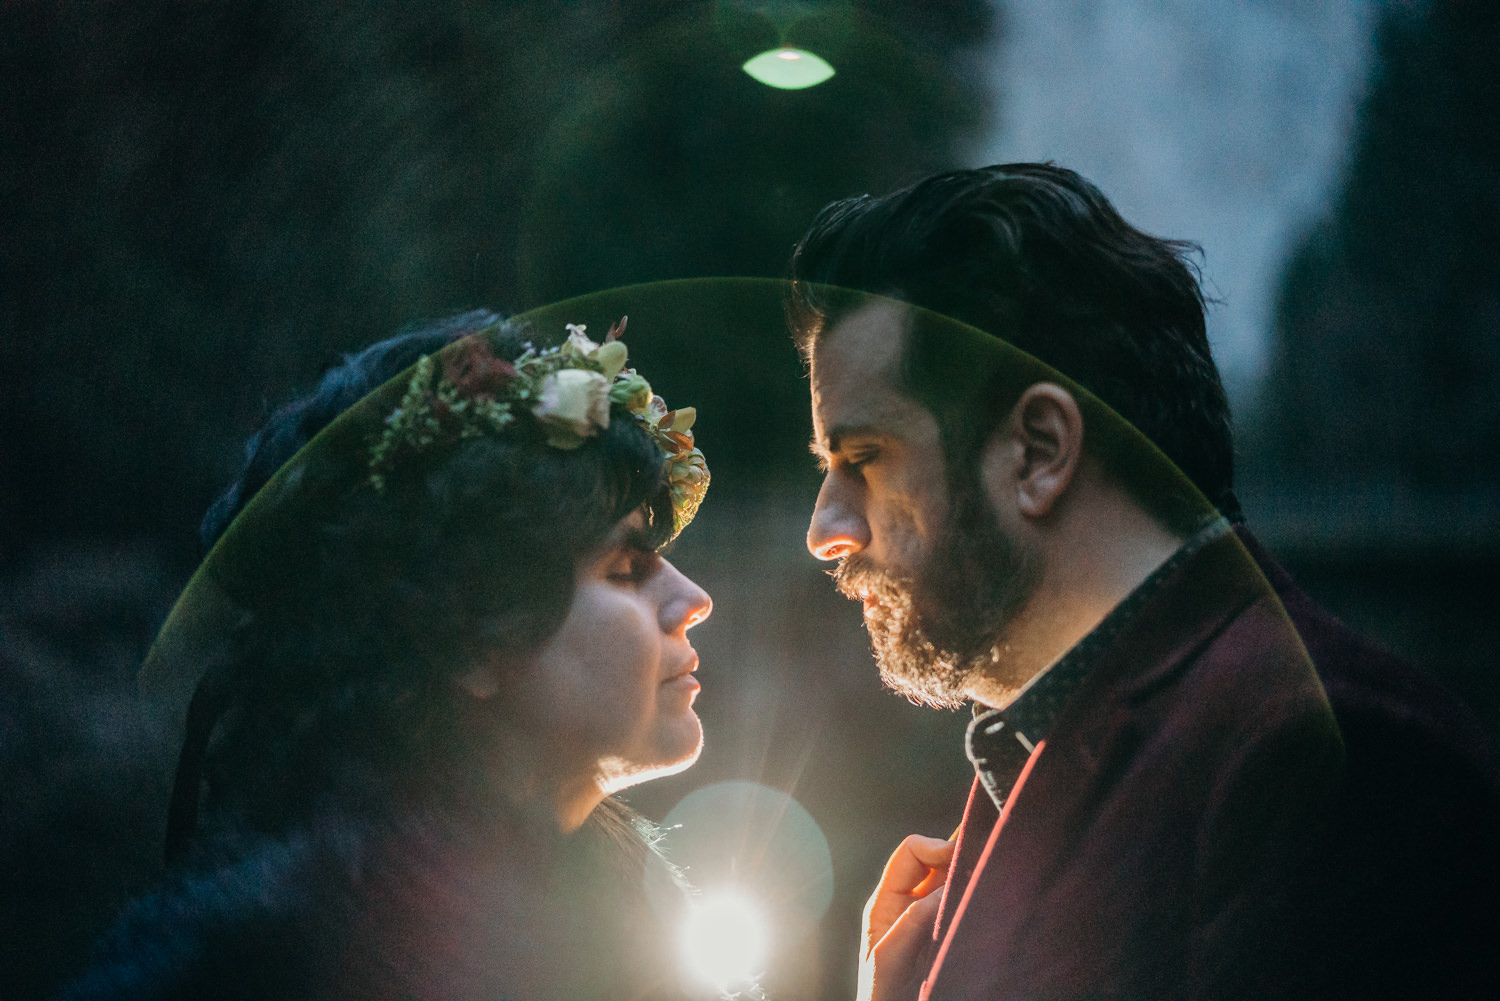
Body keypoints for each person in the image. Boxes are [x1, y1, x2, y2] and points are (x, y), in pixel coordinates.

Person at [789, 163, 1500, 999]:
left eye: (863, 458)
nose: (824, 532)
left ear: (1039, 450)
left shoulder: (1331, 758)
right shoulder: (1049, 747)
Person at [62, 311, 722, 1001]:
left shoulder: (620, 918)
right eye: (624, 569)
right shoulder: (283, 955)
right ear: (470, 633)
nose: (693, 598)